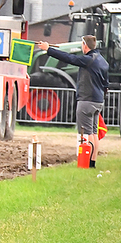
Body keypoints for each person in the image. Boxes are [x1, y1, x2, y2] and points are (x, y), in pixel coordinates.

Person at [37, 35, 109, 168]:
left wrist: (49, 50)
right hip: (98, 101)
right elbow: (106, 85)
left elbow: (70, 58)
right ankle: (92, 162)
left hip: (86, 101)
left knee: (86, 133)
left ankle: (86, 163)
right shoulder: (103, 61)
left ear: (84, 45)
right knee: (93, 132)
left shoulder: (88, 60)